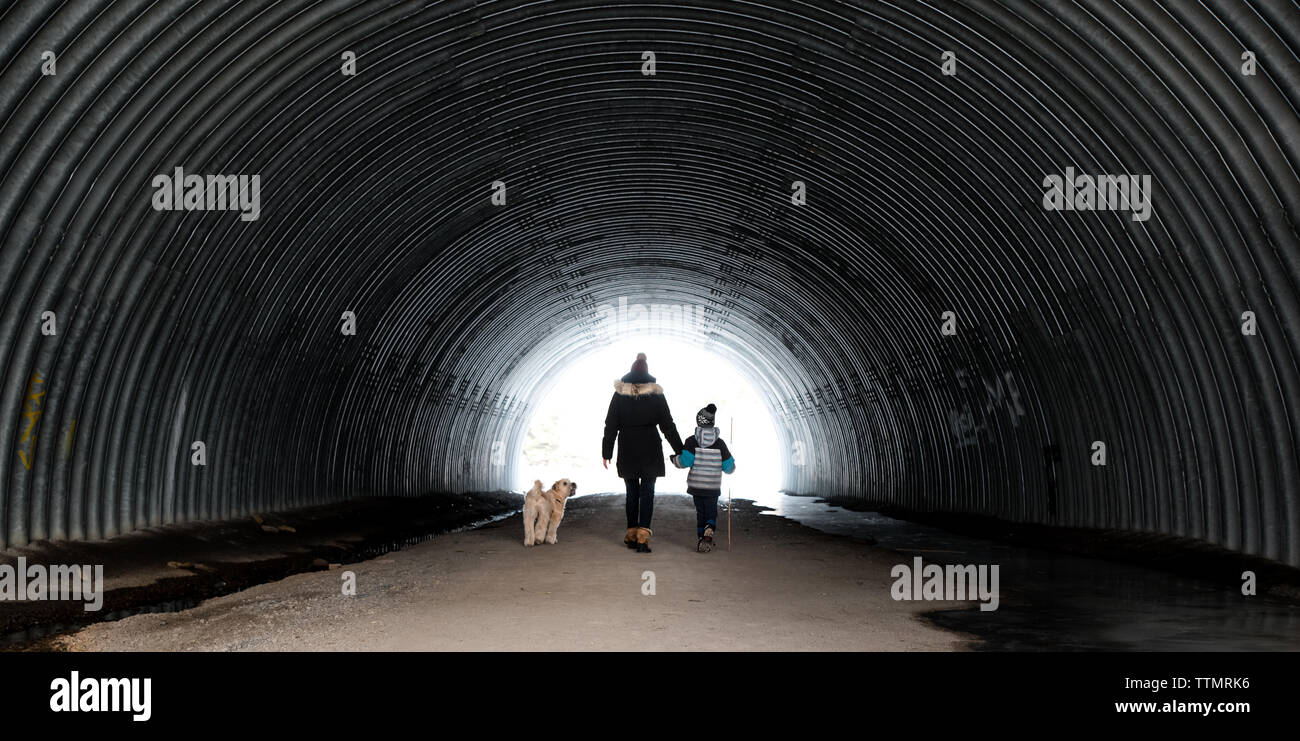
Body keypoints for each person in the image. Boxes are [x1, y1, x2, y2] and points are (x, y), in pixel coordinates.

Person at [602, 353, 684, 553]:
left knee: (632, 493)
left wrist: (607, 452)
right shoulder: (655, 394)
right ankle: (642, 538)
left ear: (630, 372)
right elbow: (667, 425)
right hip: (650, 448)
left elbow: (611, 425)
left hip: (627, 448)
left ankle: (631, 534)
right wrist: (680, 450)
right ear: (647, 372)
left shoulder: (619, 394)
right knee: (647, 493)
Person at [672, 403, 736, 552]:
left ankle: (702, 538)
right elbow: (729, 468)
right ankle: (709, 528)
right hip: (712, 487)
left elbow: (684, 462)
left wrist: (674, 459)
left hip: (696, 486)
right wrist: (731, 466)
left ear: (698, 421)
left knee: (700, 512)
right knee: (711, 512)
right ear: (713, 422)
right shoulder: (720, 444)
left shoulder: (691, 441)